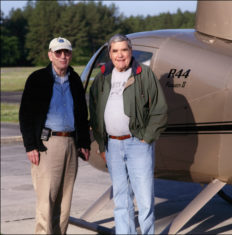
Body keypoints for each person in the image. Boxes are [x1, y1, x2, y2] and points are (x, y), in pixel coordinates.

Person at [89, 34, 168, 234]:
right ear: (110, 54)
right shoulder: (102, 77)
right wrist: (102, 143)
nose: (120, 55)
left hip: (137, 144)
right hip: (113, 146)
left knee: (144, 201)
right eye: (115, 51)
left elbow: (159, 109)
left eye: (124, 50)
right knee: (121, 201)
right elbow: (95, 109)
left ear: (131, 51)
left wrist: (146, 138)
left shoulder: (144, 74)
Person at [19, 37, 91, 234]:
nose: (63, 56)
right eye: (58, 52)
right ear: (50, 55)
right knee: (46, 201)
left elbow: (81, 113)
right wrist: (30, 146)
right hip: (47, 144)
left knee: (65, 202)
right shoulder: (37, 79)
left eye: (66, 52)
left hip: (71, 143)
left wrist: (83, 141)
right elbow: (25, 114)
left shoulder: (75, 80)